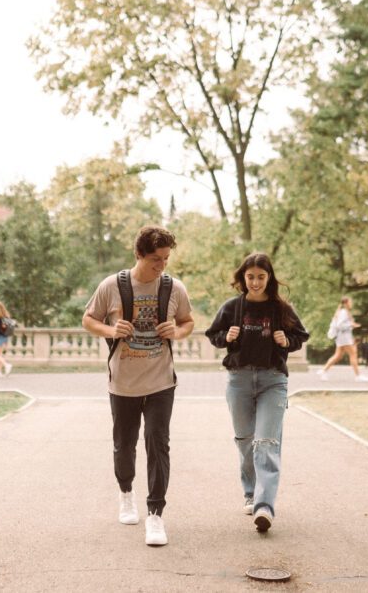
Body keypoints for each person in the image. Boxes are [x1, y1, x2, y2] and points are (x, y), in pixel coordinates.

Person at [82, 225, 194, 547]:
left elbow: (188, 322)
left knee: (158, 444)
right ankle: (126, 492)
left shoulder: (174, 289)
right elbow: (88, 319)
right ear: (138, 255)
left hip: (161, 381)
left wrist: (178, 331)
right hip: (123, 383)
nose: (162, 266)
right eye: (155, 259)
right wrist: (110, 328)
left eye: (166, 259)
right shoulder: (111, 286)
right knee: (124, 445)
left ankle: (155, 514)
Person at [205, 252, 309, 533]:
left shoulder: (281, 309)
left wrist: (286, 340)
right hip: (238, 380)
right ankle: (251, 493)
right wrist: (225, 338)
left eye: (261, 277)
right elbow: (213, 335)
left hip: (272, 380)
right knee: (244, 440)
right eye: (250, 277)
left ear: (269, 278)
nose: (255, 282)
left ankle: (265, 506)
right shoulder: (232, 308)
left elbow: (301, 336)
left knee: (266, 442)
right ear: (243, 278)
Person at [318, 296, 368, 382]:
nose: (351, 304)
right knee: (353, 354)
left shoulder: (344, 312)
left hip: (343, 337)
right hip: (344, 338)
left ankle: (324, 371)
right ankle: (358, 376)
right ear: (346, 303)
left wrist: (351, 325)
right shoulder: (343, 312)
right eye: (350, 302)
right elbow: (339, 325)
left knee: (337, 356)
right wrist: (351, 325)